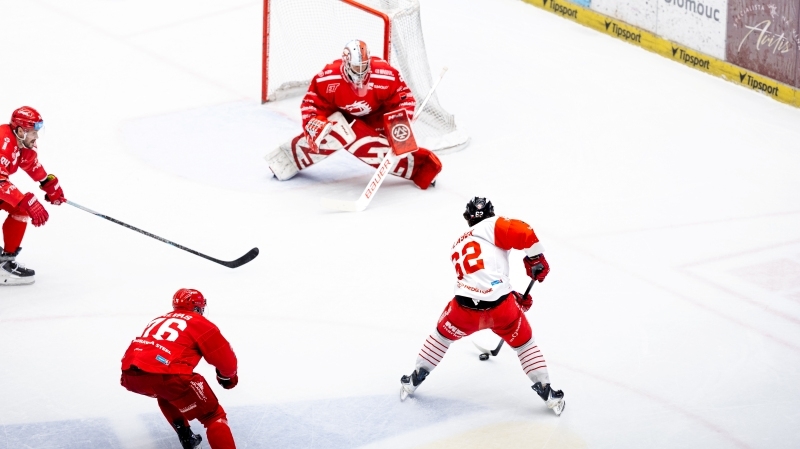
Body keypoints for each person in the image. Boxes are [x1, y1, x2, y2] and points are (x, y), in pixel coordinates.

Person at [399, 197, 566, 415]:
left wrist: (512, 297)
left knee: (441, 337)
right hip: (502, 310)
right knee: (525, 345)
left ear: (467, 218)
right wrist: (535, 259)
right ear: (491, 213)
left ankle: (414, 379)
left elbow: (479, 280)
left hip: (462, 310)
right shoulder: (492, 225)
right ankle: (547, 392)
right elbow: (523, 231)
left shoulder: (457, 244)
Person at [265, 39, 442, 190]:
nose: (360, 72)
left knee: (388, 143)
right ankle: (289, 157)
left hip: (377, 118)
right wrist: (315, 122)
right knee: (337, 129)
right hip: (341, 115)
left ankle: (421, 167)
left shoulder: (385, 74)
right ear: (346, 63)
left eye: (364, 66)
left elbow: (404, 98)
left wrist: (398, 125)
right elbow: (312, 103)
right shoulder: (328, 77)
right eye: (356, 67)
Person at [120, 289, 239, 449]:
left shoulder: (159, 319)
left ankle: (186, 437)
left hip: (131, 374)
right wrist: (227, 378)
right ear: (197, 308)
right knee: (213, 415)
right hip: (168, 374)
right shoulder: (200, 323)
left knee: (166, 392)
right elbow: (225, 359)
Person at [0, 106, 66, 285]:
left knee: (21, 210)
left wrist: (48, 184)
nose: (36, 136)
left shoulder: (22, 142)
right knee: (23, 204)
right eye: (32, 132)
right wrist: (23, 199)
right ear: (20, 130)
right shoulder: (2, 142)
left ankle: (4, 263)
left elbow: (31, 164)